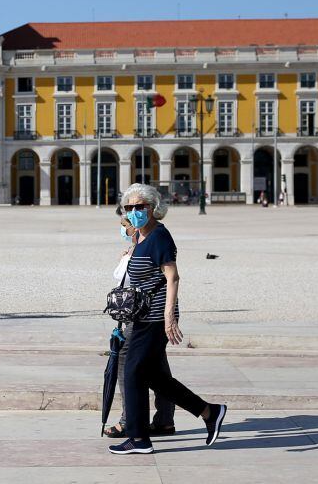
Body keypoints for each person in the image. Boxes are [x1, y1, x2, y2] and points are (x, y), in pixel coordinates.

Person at [110, 183, 227, 455]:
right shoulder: (141, 236)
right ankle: (210, 412)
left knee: (132, 372)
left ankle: (138, 438)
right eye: (130, 207)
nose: (134, 211)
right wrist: (129, 249)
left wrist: (169, 317)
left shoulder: (159, 236)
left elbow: (172, 277)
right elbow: (131, 239)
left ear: (153, 208)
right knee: (154, 377)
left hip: (154, 317)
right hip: (141, 315)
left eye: (140, 206)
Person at [106, 207, 175, 439]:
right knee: (157, 366)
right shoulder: (143, 241)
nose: (123, 230)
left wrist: (169, 316)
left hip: (147, 314)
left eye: (124, 226)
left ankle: (130, 422)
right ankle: (165, 420)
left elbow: (171, 277)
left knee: (125, 360)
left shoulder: (154, 238)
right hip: (146, 314)